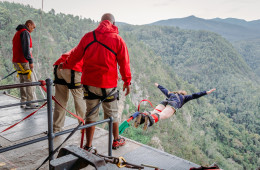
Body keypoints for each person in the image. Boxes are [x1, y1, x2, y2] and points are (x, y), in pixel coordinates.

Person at [61, 13, 131, 150]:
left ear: (101, 22)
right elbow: (124, 63)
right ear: (113, 24)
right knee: (112, 114)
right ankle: (116, 140)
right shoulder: (117, 39)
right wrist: (127, 82)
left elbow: (75, 55)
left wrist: (66, 64)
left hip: (89, 84)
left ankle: (88, 146)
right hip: (108, 85)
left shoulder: (88, 37)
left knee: (90, 114)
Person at [135, 83, 216, 130]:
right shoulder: (184, 97)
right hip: (173, 104)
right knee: (162, 115)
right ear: (184, 94)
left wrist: (158, 85)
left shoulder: (172, 94)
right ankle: (149, 120)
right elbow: (195, 95)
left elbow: (165, 90)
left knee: (154, 112)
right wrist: (206, 92)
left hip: (165, 101)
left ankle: (143, 116)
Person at [52, 49, 86, 133]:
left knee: (60, 99)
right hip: (72, 68)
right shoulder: (96, 50)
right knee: (79, 98)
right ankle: (84, 127)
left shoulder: (83, 45)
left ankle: (56, 128)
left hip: (58, 67)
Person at [12, 20, 39, 109]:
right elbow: (26, 48)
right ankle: (30, 102)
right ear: (29, 24)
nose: (33, 29)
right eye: (33, 27)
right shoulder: (25, 33)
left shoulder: (18, 33)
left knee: (23, 81)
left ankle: (23, 101)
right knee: (30, 81)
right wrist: (30, 61)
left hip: (17, 61)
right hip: (23, 61)